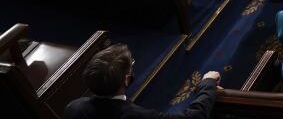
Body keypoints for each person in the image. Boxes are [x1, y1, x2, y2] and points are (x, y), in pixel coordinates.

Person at [64, 44, 220, 119]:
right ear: (126, 79)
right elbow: (195, 117)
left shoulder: (74, 108)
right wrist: (208, 83)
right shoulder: (137, 116)